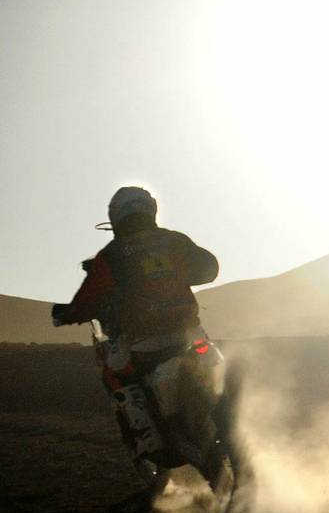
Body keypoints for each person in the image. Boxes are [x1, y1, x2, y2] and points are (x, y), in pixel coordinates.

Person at [51, 186, 219, 451]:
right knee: (210, 361)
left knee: (115, 373)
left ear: (116, 215)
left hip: (143, 338)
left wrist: (71, 313)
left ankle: (147, 439)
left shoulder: (113, 254)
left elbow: (89, 297)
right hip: (188, 328)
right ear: (150, 208)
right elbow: (209, 269)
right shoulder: (174, 240)